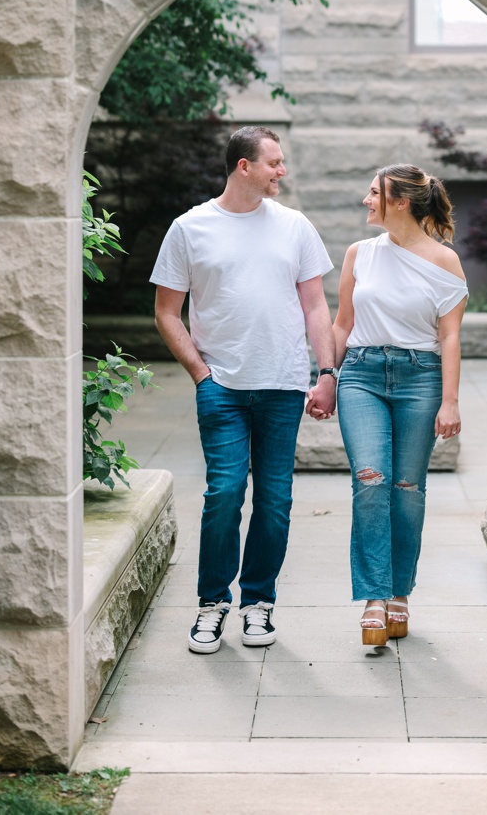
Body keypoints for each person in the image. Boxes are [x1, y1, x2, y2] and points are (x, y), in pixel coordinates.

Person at [152, 126, 338, 655]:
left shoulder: (295, 227)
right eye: (274, 163)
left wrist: (326, 374)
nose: (282, 171)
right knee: (224, 494)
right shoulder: (190, 228)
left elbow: (316, 306)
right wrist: (200, 374)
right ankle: (212, 605)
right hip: (223, 387)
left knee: (275, 502)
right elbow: (167, 313)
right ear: (244, 167)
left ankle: (259, 605)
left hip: (282, 385)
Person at [331, 164, 467, 647]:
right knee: (371, 481)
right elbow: (342, 324)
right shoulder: (358, 254)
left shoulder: (445, 262)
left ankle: (399, 595)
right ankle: (373, 597)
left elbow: (450, 336)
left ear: (401, 202)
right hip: (362, 376)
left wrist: (450, 401)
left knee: (407, 489)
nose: (366, 200)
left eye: (374, 193)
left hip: (420, 380)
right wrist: (328, 376)